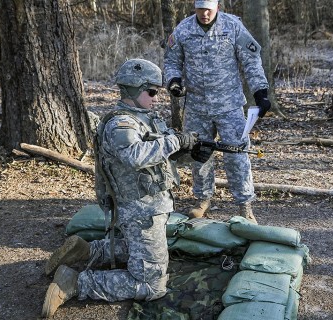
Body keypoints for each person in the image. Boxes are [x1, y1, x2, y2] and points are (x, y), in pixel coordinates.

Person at [41, 58, 204, 318]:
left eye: (157, 92)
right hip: (140, 211)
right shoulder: (122, 124)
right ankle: (76, 283)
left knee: (139, 248)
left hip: (150, 207)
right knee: (153, 285)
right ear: (131, 90)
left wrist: (190, 153)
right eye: (151, 91)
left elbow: (159, 156)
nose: (156, 97)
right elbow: (135, 156)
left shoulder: (145, 119)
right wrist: (175, 141)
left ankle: (89, 250)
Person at [164, 0, 272, 224]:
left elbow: (251, 61)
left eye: (209, 10)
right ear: (194, 8)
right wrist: (174, 82)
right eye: (200, 9)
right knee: (200, 154)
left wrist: (261, 93)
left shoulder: (233, 27)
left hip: (229, 106)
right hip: (196, 106)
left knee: (237, 154)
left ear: (218, 7)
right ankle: (202, 201)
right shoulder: (183, 30)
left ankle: (245, 206)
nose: (204, 14)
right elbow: (172, 61)